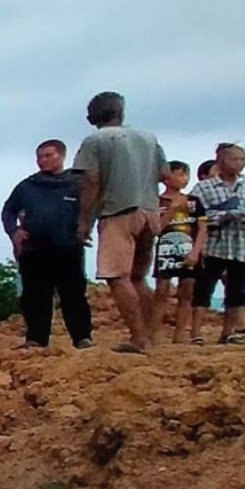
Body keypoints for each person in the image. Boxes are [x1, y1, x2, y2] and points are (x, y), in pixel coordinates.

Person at [73, 91, 169, 354]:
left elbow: (91, 181)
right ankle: (151, 335)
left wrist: (84, 220)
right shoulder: (148, 138)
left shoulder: (95, 141)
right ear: (120, 113)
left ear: (92, 117)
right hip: (149, 210)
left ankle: (138, 338)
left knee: (117, 276)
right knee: (138, 277)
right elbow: (164, 173)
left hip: (117, 211)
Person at [0, 139, 94, 349]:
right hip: (34, 249)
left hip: (68, 247)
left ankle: (82, 337)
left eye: (48, 155)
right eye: (39, 157)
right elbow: (8, 210)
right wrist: (14, 231)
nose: (42, 160)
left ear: (62, 155)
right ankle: (35, 338)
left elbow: (92, 207)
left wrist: (86, 227)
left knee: (73, 295)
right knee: (35, 296)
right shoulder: (27, 186)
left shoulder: (76, 185)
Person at [188, 143, 245, 345]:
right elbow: (193, 216)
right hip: (214, 246)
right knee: (203, 289)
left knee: (238, 291)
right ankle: (195, 333)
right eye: (234, 159)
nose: (239, 163)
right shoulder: (203, 188)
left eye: (242, 159)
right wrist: (221, 217)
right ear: (221, 161)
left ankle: (228, 331)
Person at [151, 161, 207, 344]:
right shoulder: (156, 202)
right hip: (165, 251)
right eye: (180, 174)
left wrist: (196, 252)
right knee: (162, 290)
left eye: (186, 175)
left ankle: (180, 333)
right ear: (167, 178)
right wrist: (173, 209)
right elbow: (157, 229)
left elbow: (202, 228)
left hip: (188, 250)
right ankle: (155, 332)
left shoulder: (194, 201)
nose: (185, 179)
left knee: (187, 291)